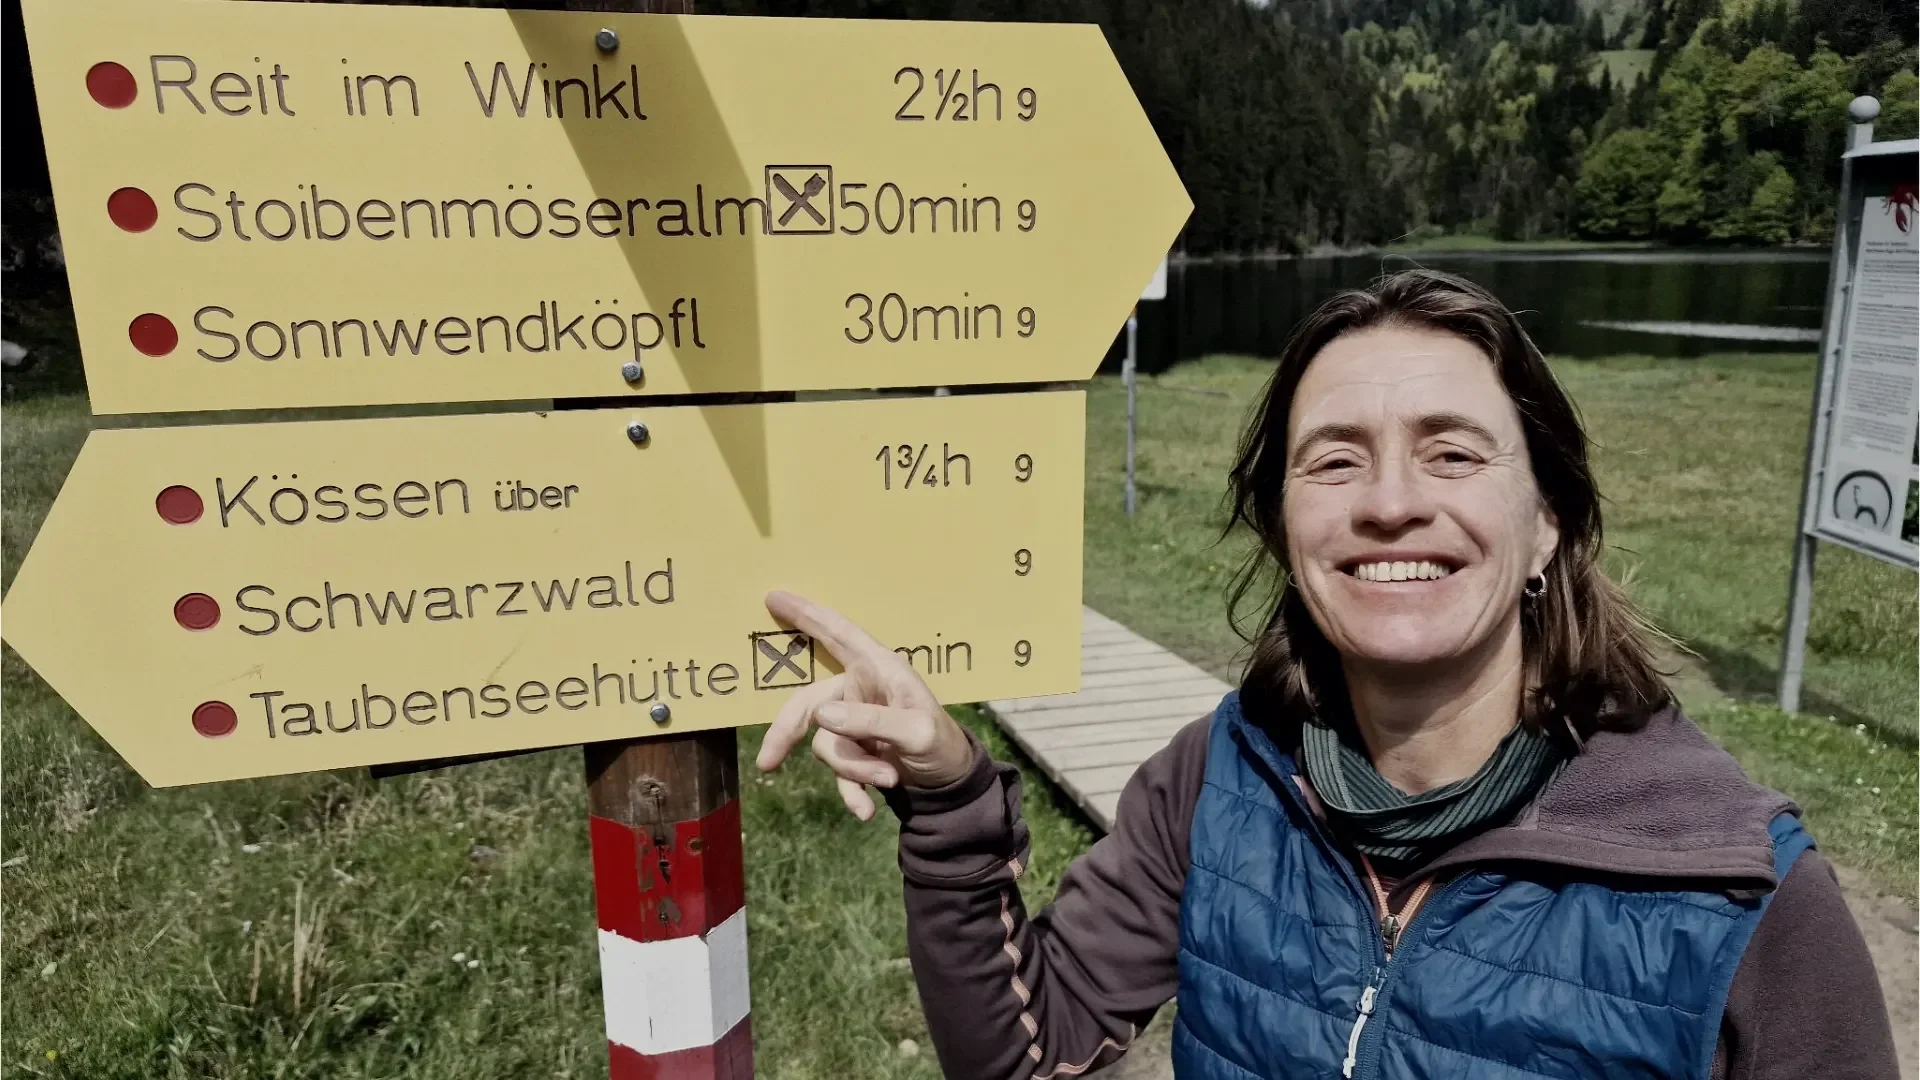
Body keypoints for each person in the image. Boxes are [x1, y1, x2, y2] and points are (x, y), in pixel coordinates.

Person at [756, 270, 1899, 1080]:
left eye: (1452, 452)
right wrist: (953, 793)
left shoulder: (1740, 894)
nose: (1390, 500)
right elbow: (1029, 1050)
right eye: (1334, 458)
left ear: (1546, 520)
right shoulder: (1224, 774)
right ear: (1282, 523)